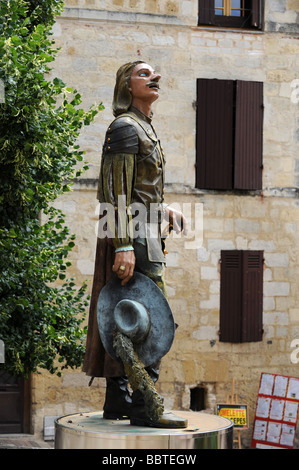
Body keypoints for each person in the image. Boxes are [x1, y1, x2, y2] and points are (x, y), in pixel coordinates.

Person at [83, 61, 187, 427]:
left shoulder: (144, 127)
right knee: (151, 316)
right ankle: (145, 406)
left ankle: (118, 402)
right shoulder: (126, 127)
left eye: (156, 73)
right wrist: (124, 244)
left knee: (128, 313)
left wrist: (165, 208)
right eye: (144, 74)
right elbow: (117, 193)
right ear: (126, 85)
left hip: (147, 231)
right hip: (136, 236)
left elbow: (142, 188)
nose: (155, 76)